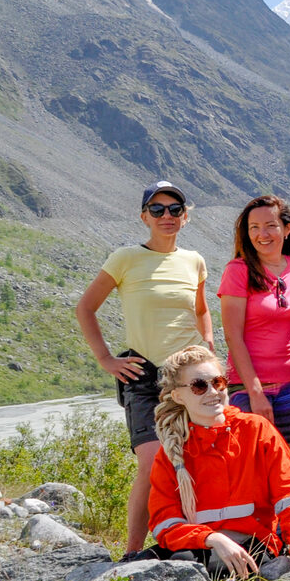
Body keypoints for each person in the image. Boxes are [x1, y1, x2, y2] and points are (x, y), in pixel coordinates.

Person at [76, 180, 214, 554]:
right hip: (144, 373)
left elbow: (201, 310)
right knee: (153, 465)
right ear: (144, 217)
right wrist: (106, 359)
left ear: (185, 217)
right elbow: (85, 308)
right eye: (157, 210)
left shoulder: (195, 261)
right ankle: (133, 552)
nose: (166, 216)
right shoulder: (125, 258)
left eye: (174, 210)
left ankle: (192, 542)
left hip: (190, 376)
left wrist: (210, 345)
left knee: (197, 460)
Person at [148, 344, 290, 581]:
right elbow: (164, 523)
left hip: (253, 548)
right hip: (198, 546)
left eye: (218, 382)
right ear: (178, 396)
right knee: (142, 569)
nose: (212, 392)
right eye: (199, 386)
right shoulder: (172, 450)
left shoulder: (256, 430)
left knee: (200, 572)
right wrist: (211, 538)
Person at [218, 195, 290, 448]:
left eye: (271, 225)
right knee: (250, 467)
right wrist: (255, 391)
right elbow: (232, 336)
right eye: (254, 227)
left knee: (286, 464)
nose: (263, 234)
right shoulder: (237, 271)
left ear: (287, 228)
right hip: (246, 387)